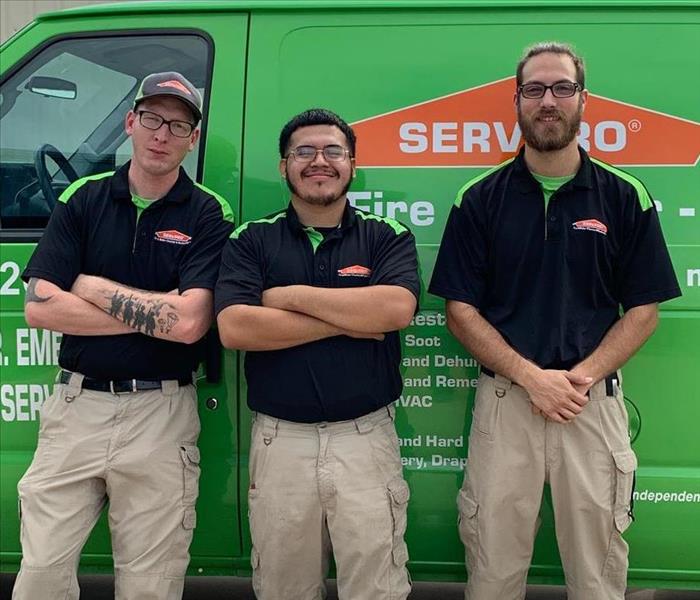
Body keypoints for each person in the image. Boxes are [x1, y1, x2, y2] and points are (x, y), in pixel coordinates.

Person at [429, 42, 681, 600]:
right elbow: (459, 311)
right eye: (536, 89)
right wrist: (531, 377)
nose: (549, 101)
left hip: (590, 403)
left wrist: (579, 378)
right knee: (493, 571)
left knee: (597, 575)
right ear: (516, 101)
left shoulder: (624, 196)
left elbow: (644, 311)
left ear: (583, 99)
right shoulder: (479, 199)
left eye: (562, 88)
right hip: (506, 405)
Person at [14, 71, 234, 600]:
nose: (163, 134)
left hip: (160, 415)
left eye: (178, 125)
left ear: (193, 139)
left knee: (150, 586)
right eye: (153, 119)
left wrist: (88, 287)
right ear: (131, 122)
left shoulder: (208, 211)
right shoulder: (83, 197)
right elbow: (40, 307)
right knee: (40, 576)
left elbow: (191, 325)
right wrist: (157, 311)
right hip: (76, 408)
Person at [215, 108, 419, 600]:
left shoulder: (385, 234)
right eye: (303, 152)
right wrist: (350, 320)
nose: (318, 162)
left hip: (365, 438)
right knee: (284, 588)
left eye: (332, 151)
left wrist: (284, 297)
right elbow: (235, 326)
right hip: (280, 442)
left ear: (352, 163)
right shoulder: (250, 239)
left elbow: (393, 309)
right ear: (284, 165)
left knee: (376, 589)